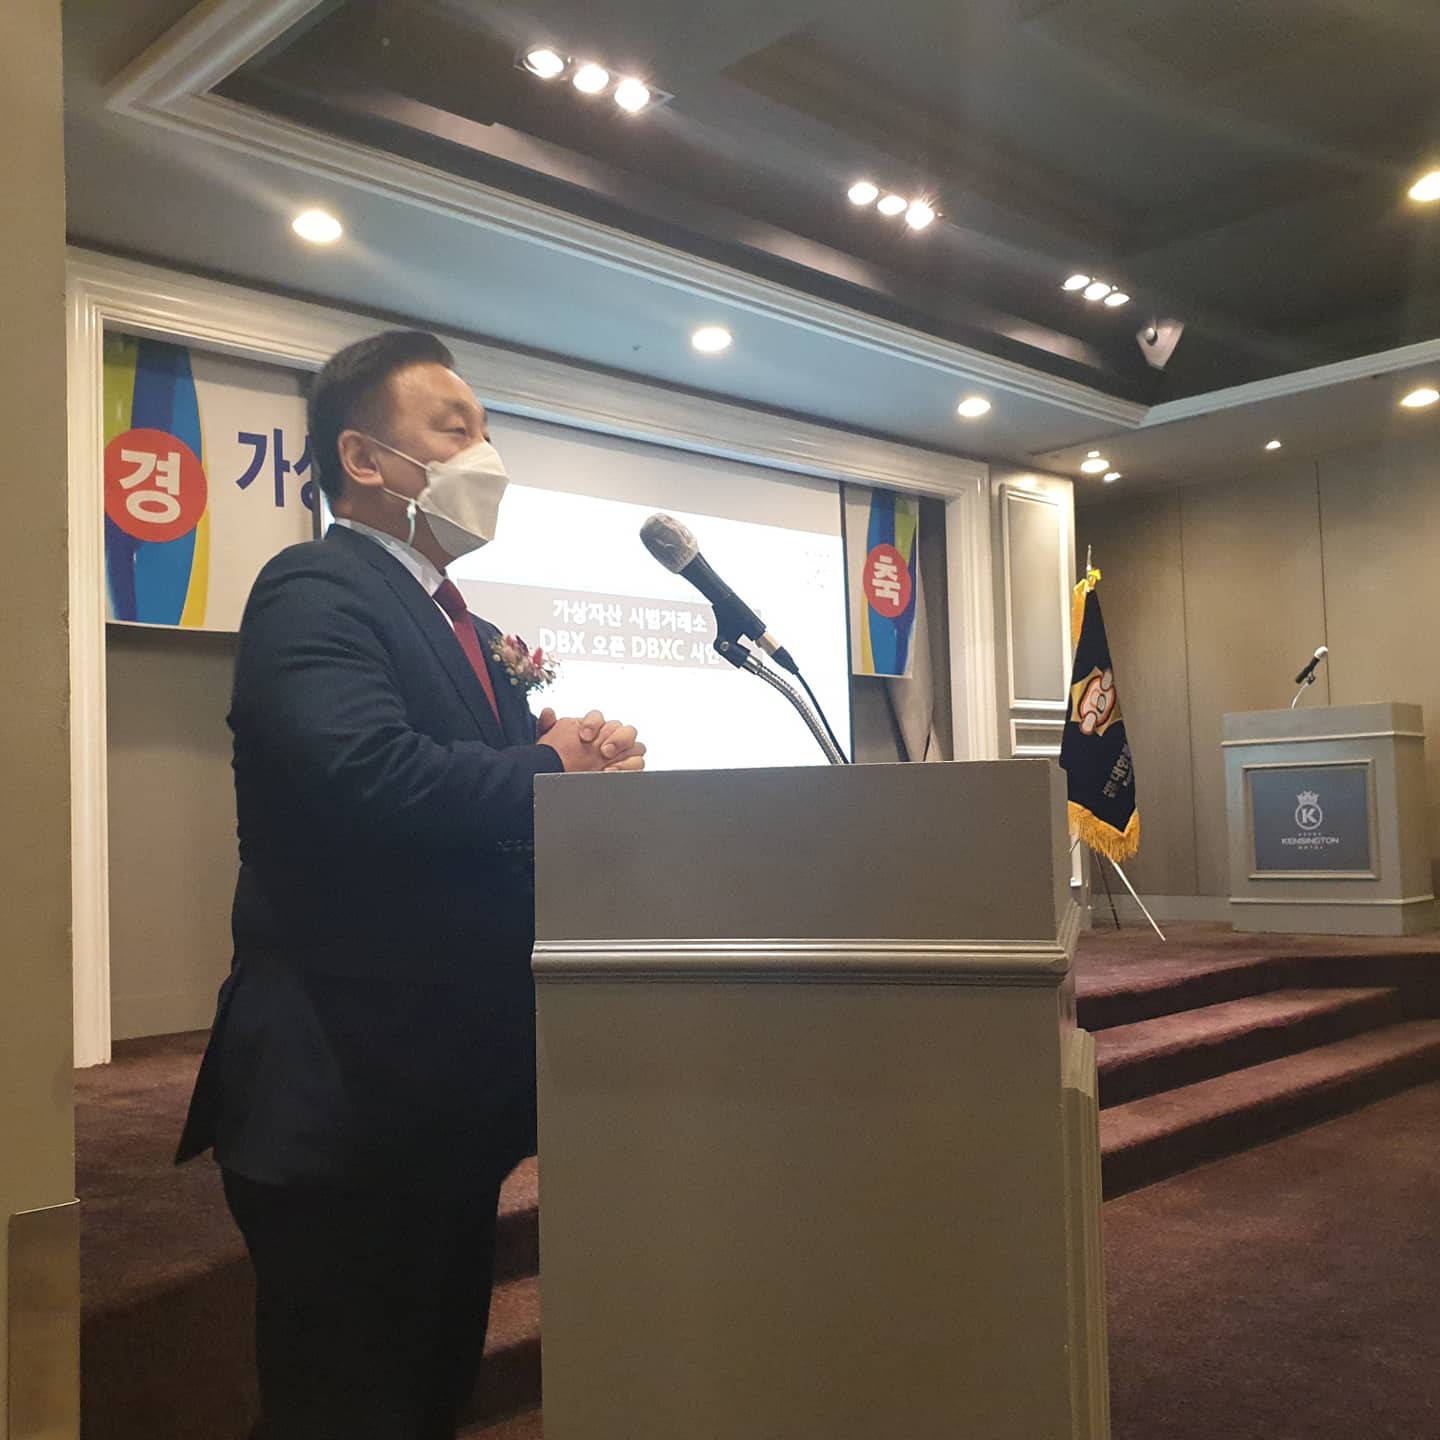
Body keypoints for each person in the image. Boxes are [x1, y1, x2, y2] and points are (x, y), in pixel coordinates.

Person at [177, 329, 645, 1439]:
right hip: (342, 1095)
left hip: (438, 1102)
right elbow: (364, 775)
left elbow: (471, 798)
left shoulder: (455, 616)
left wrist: (566, 755)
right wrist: (546, 768)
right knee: (347, 1403)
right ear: (365, 460)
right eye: (455, 429)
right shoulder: (317, 584)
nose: (487, 455)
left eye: (487, 429)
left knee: (429, 1390)